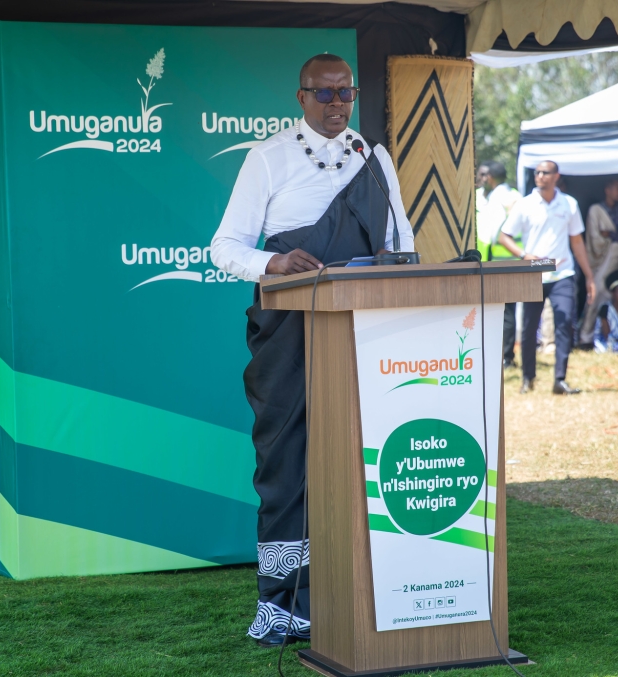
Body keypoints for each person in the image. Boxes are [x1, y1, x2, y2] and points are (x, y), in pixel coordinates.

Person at [210, 54, 414, 646]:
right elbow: (224, 247)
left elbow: (400, 241)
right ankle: (282, 603)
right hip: (289, 333)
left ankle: (362, 587)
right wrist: (273, 262)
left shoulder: (374, 160)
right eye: (323, 94)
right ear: (300, 97)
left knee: (361, 454)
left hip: (365, 329)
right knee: (287, 459)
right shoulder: (266, 159)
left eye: (345, 93)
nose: (336, 104)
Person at [498, 160, 596, 395]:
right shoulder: (525, 204)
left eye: (545, 173)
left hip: (563, 272)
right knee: (529, 327)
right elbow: (504, 236)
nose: (540, 176)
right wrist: (524, 254)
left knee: (564, 324)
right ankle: (527, 378)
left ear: (556, 176)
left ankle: (559, 380)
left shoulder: (568, 204)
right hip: (534, 274)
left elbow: (577, 241)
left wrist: (589, 276)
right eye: (538, 172)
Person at [475, 160, 522, 367]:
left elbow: (492, 233)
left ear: (491, 178)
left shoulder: (498, 198)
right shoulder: (514, 195)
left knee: (503, 311)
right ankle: (506, 355)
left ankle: (505, 357)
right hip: (511, 260)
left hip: (497, 260)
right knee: (507, 310)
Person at [579, 179, 618, 347]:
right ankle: (586, 336)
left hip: (616, 258)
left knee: (605, 293)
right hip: (597, 258)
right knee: (595, 294)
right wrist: (605, 238)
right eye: (617, 188)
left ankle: (606, 336)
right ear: (607, 190)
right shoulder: (596, 210)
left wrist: (610, 236)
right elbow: (595, 237)